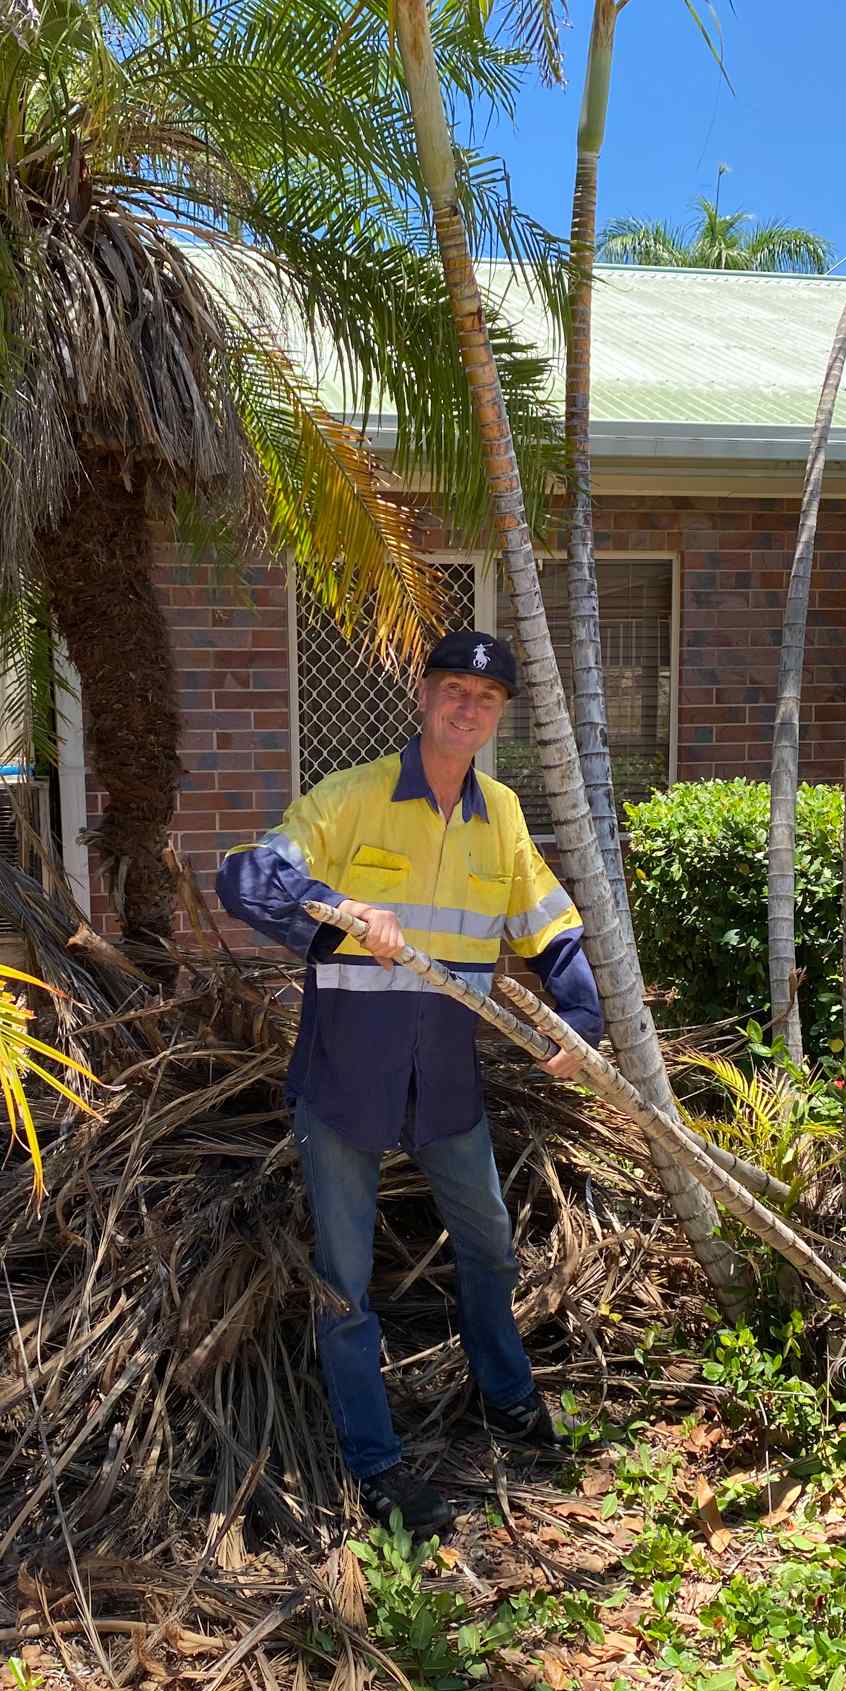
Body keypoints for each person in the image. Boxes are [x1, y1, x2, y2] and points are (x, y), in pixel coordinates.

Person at [217, 629, 604, 1537]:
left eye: (487, 699)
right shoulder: (350, 798)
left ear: (498, 718)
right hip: (345, 1082)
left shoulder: (500, 815)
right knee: (346, 1286)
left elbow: (552, 930)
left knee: (492, 1249)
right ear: (424, 698)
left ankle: (505, 1401)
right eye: (454, 691)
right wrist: (338, 906)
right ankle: (375, 1464)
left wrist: (580, 1026)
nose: (468, 708)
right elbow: (246, 876)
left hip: (446, 1084)